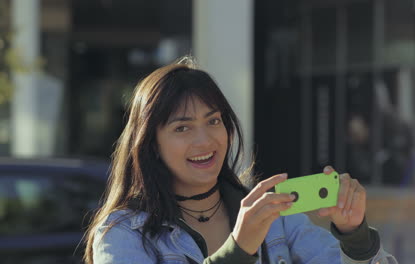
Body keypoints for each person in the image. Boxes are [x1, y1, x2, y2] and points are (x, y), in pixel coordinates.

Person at [83, 57, 397, 264]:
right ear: (151, 144)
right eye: (182, 127)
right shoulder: (122, 233)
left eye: (214, 121)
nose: (205, 140)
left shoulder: (275, 216)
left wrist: (356, 236)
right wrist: (238, 251)